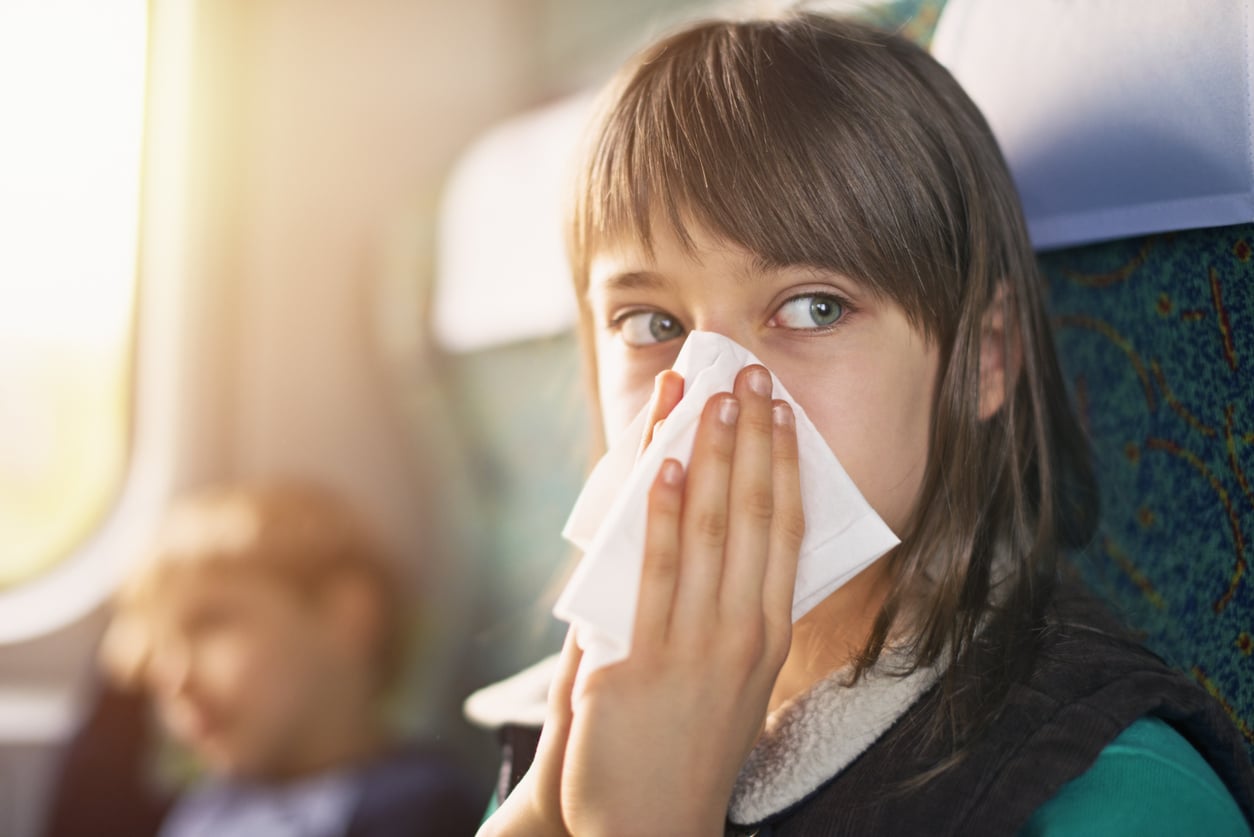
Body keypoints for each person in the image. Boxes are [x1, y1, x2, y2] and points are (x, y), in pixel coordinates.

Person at [471, 11, 1254, 836]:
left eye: (813, 308)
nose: (714, 397)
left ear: (983, 357)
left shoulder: (1105, 789)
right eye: (650, 325)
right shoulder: (556, 733)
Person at [43, 481, 480, 837]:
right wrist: (117, 694)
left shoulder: (415, 804)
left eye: (209, 624)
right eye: (158, 648)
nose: (172, 678)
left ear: (346, 618)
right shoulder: (221, 797)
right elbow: (87, 818)